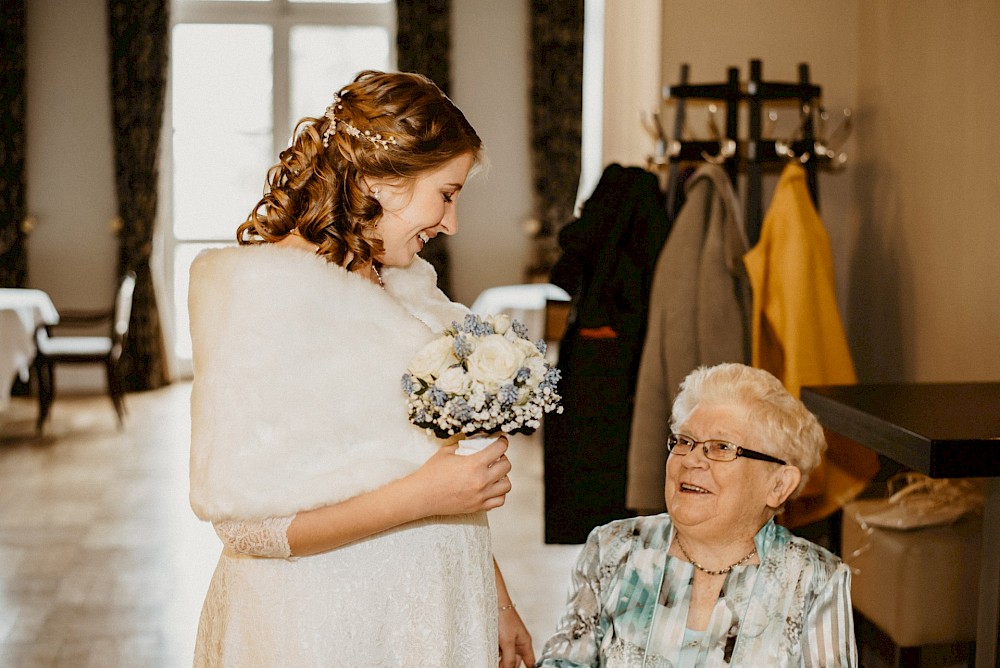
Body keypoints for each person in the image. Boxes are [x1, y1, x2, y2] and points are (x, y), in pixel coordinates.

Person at [188, 70, 534, 667]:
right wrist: (425, 495)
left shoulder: (406, 285)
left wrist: (496, 600)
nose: (450, 223)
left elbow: (426, 467)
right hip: (322, 625)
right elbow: (247, 531)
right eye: (446, 194)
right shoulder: (263, 294)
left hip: (431, 615)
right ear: (381, 180)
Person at [537, 363, 857, 667]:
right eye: (685, 441)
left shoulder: (815, 578)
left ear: (778, 485)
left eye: (721, 447)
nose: (691, 460)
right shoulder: (614, 547)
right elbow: (564, 661)